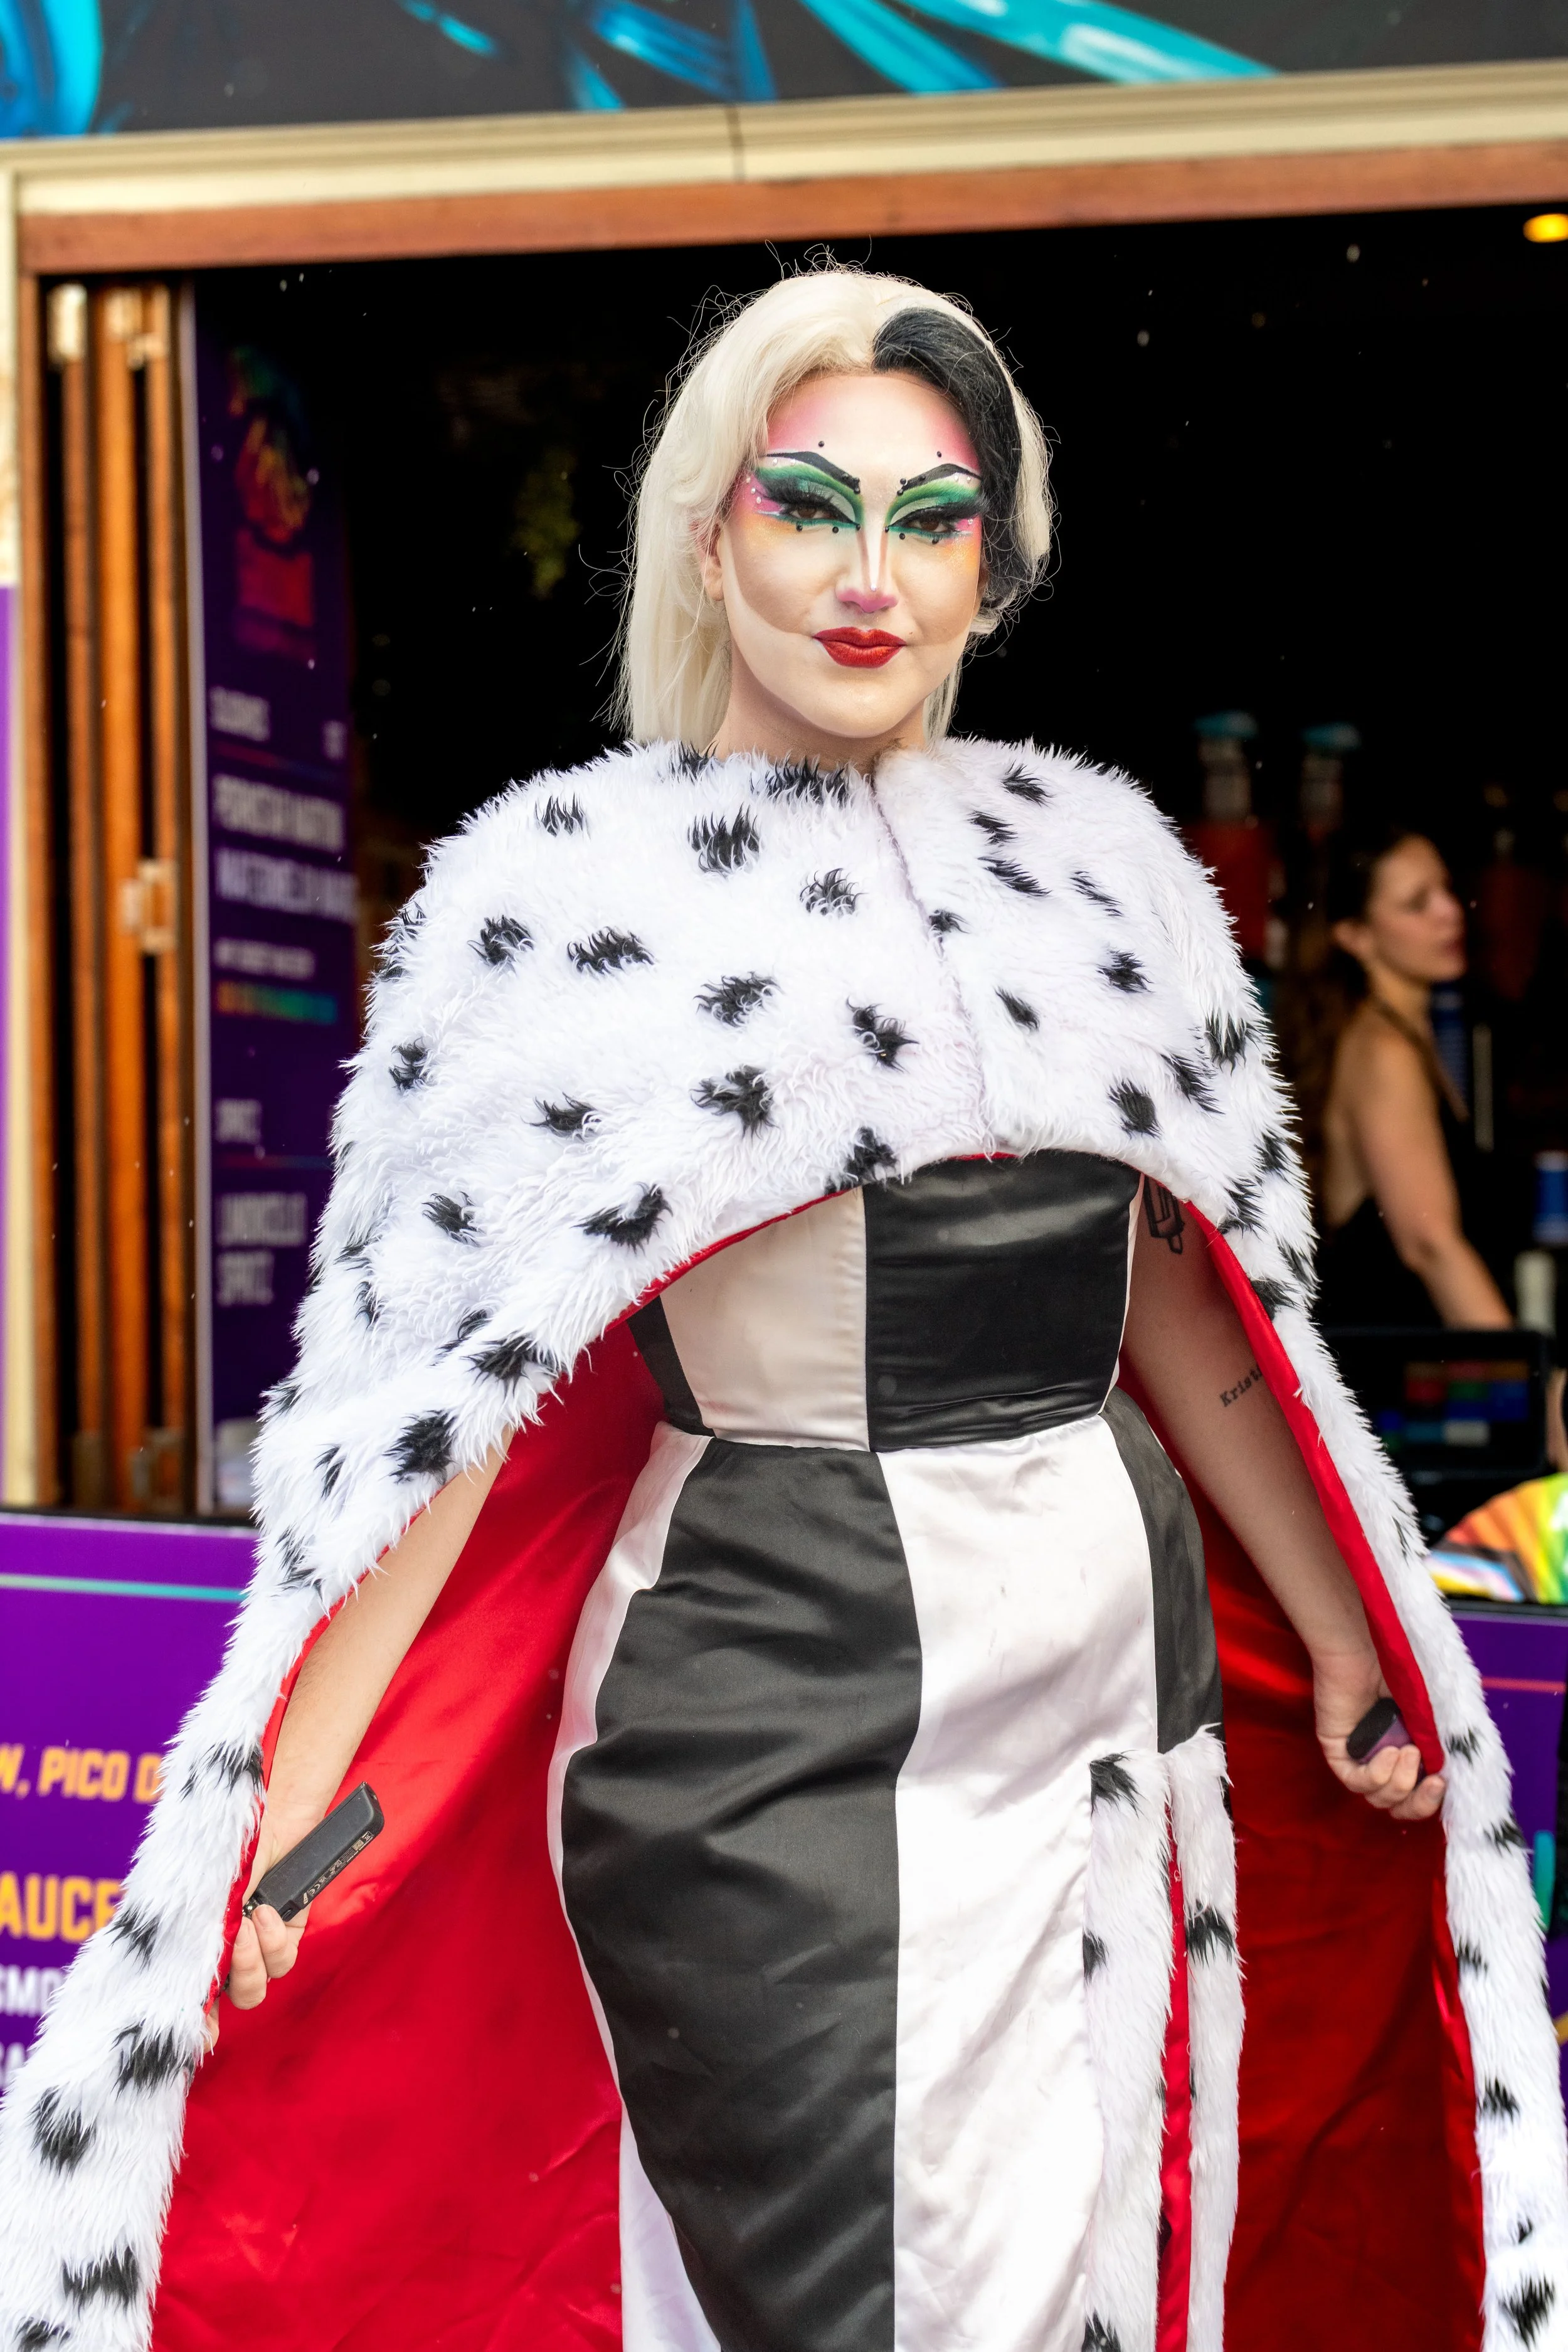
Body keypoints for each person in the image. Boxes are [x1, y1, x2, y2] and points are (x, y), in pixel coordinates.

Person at [1, 269, 1563, 2352]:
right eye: (810, 503)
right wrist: (270, 1813)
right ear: (707, 527)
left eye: (933, 520)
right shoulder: (565, 900)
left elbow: (1186, 1311)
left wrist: (1367, 1649)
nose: (869, 576)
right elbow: (451, 1418)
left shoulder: (1104, 882)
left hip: (1116, 1713)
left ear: (995, 566)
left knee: (1110, 2287)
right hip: (755, 1736)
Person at [1313, 826, 1510, 1329]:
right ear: (1355, 936)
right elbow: (1429, 1245)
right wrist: (1528, 1382)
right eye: (1417, 903)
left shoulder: (1404, 1037)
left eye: (1445, 889)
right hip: (1390, 1389)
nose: (1449, 910)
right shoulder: (1384, 1052)